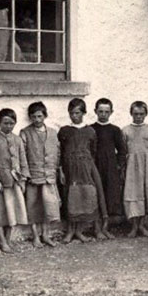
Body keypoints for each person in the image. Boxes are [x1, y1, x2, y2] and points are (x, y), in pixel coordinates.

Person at [58, 98, 109, 243]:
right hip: (70, 169)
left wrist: (86, 164)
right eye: (72, 113)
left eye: (78, 113)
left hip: (86, 169)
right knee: (70, 197)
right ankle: (69, 231)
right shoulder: (64, 131)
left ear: (84, 113)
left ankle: (79, 231)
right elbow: (61, 152)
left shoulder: (90, 131)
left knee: (83, 196)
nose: (75, 116)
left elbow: (92, 151)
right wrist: (61, 169)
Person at [0, 108, 29, 252]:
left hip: (14, 181)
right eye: (5, 123)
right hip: (0, 182)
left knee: (13, 210)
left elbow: (23, 160)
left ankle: (8, 238)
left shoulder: (17, 140)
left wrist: (22, 179)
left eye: (11, 123)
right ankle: (1, 240)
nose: (8, 126)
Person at [20, 102, 62, 248]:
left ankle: (46, 234)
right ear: (30, 118)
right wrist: (26, 174)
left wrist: (57, 170)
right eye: (33, 117)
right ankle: (35, 236)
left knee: (47, 206)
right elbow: (22, 155)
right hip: (33, 175)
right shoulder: (25, 133)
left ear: (45, 116)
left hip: (49, 175)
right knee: (33, 206)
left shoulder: (52, 133)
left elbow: (57, 152)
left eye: (39, 116)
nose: (37, 120)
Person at [123, 101, 148, 237]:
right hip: (132, 167)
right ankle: (133, 226)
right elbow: (123, 151)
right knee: (134, 193)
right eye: (135, 114)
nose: (138, 117)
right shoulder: (126, 130)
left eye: (141, 114)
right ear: (131, 114)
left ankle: (142, 225)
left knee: (146, 193)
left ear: (146, 114)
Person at [91, 98, 126, 236]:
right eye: (100, 111)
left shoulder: (115, 130)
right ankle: (96, 226)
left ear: (111, 112)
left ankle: (106, 226)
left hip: (110, 167)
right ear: (95, 111)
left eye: (106, 112)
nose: (103, 114)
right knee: (96, 194)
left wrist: (118, 165)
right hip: (95, 166)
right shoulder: (91, 129)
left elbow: (122, 151)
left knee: (109, 195)